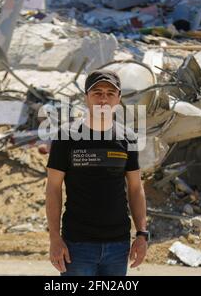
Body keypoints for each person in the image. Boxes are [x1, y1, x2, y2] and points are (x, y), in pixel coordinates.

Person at [45, 69, 149, 276]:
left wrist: (141, 234)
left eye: (110, 93)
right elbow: (53, 188)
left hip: (118, 246)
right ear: (86, 98)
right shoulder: (67, 136)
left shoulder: (127, 138)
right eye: (97, 92)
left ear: (118, 99)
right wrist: (55, 238)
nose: (103, 99)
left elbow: (136, 188)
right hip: (77, 244)